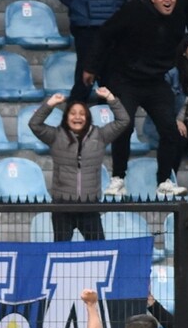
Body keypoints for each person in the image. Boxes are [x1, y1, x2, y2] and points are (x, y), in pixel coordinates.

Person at [83, 0, 188, 198]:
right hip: (125, 79)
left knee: (170, 129)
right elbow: (104, 34)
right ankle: (118, 178)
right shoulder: (133, 10)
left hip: (155, 81)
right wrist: (91, 67)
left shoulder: (178, 16)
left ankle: (164, 181)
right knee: (125, 125)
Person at [29, 86, 129, 239]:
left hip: (89, 206)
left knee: (99, 252)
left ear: (88, 117)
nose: (77, 117)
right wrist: (50, 104)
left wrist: (110, 97)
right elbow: (35, 124)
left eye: (82, 114)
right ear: (66, 117)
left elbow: (123, 120)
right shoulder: (56, 136)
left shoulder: (100, 135)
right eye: (73, 113)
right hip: (62, 207)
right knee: (61, 255)